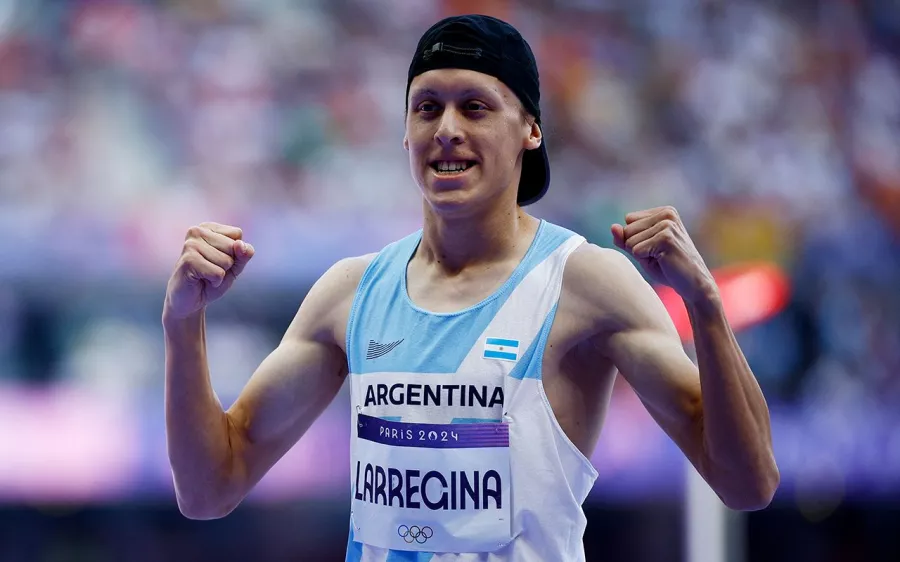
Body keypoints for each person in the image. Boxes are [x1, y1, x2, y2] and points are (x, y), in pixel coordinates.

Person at [162, 14, 779, 562]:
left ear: (531, 130)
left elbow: (747, 483)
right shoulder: (350, 292)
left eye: (475, 107)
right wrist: (183, 323)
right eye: (426, 107)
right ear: (405, 133)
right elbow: (209, 488)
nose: (447, 129)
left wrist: (706, 307)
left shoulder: (584, 282)